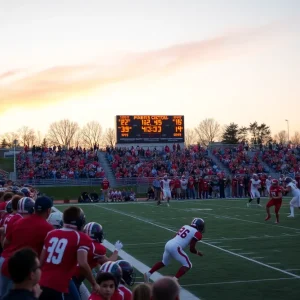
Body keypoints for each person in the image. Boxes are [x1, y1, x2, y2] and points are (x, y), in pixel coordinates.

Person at [39, 206, 100, 300]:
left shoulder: (51, 233)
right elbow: (83, 263)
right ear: (81, 221)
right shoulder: (81, 237)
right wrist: (94, 283)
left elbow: (41, 261)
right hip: (59, 284)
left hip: (42, 281)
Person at [0, 196, 52, 298]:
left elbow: (6, 242)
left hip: (5, 261)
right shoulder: (48, 228)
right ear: (49, 210)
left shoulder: (19, 221)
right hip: (22, 268)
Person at [144, 218, 205, 282]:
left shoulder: (185, 226)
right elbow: (191, 249)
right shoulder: (197, 234)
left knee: (164, 262)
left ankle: (148, 274)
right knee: (188, 265)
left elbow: (175, 236)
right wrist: (198, 252)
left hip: (169, 243)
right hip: (175, 247)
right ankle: (173, 281)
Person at [72, 222, 123, 292]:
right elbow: (109, 263)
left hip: (68, 274)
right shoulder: (96, 247)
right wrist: (116, 250)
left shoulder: (79, 241)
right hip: (73, 279)